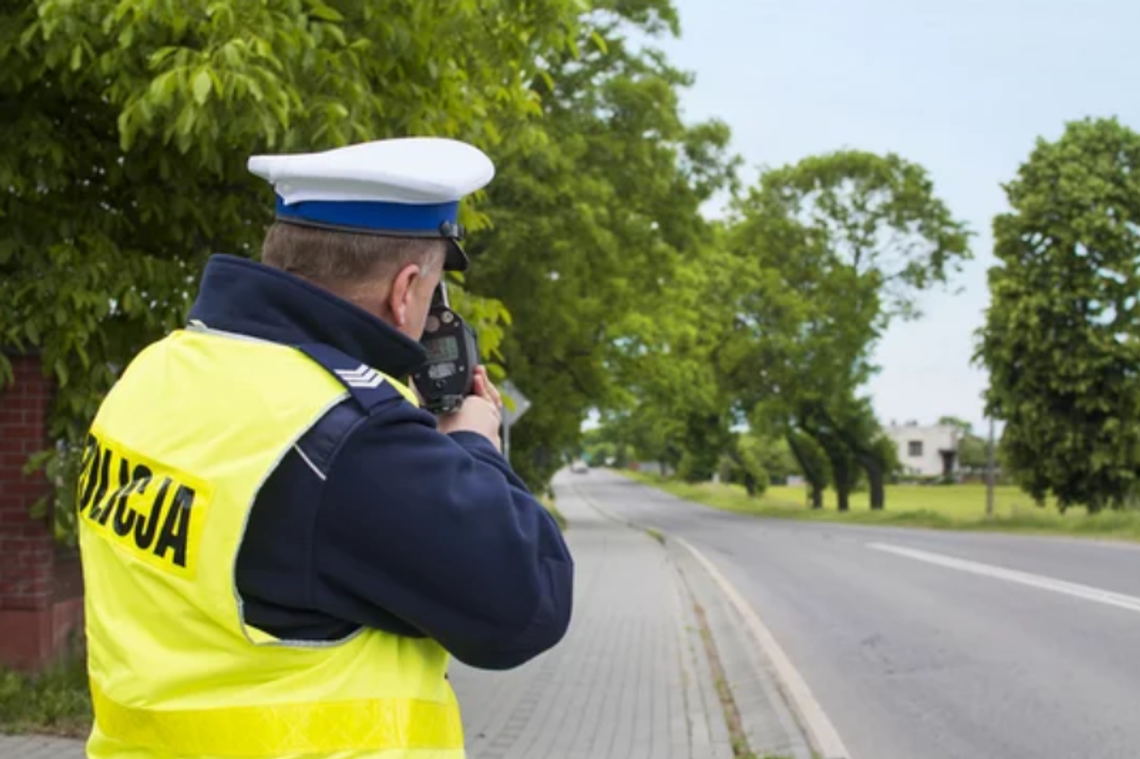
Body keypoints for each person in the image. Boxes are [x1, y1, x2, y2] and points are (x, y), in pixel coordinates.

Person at [75, 137, 574, 759]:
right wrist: (473, 442)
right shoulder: (346, 436)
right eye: (434, 291)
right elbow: (526, 605)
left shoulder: (156, 371)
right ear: (405, 289)